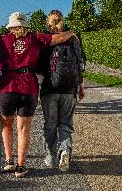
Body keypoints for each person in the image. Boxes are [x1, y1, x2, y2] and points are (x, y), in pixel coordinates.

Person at [0, 12, 75, 178]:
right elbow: (58, 39)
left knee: (6, 125)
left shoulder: (3, 40)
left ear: (10, 26)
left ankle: (9, 161)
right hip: (28, 87)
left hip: (7, 87)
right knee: (23, 128)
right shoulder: (35, 38)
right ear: (25, 25)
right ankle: (21, 166)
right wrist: (72, 33)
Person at [39, 10, 85, 171]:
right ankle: (65, 150)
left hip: (50, 87)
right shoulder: (74, 38)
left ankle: (50, 158)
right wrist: (80, 85)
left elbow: (39, 66)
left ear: (48, 22)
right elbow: (81, 63)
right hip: (70, 88)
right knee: (65, 123)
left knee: (50, 124)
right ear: (62, 21)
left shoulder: (46, 39)